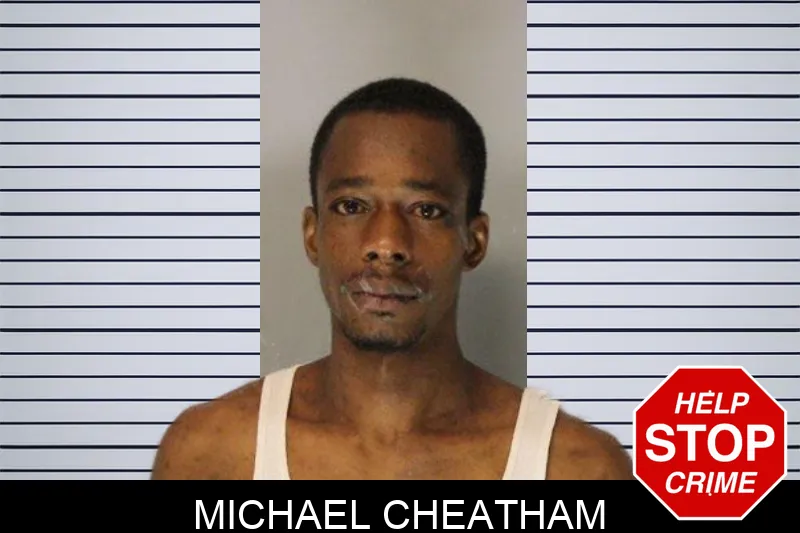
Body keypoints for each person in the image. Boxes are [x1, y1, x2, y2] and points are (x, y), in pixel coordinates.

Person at [151, 78, 633, 480]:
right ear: (313, 235)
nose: (386, 243)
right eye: (351, 206)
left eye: (426, 210)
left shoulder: (577, 467)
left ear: (474, 241)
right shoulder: (211, 454)